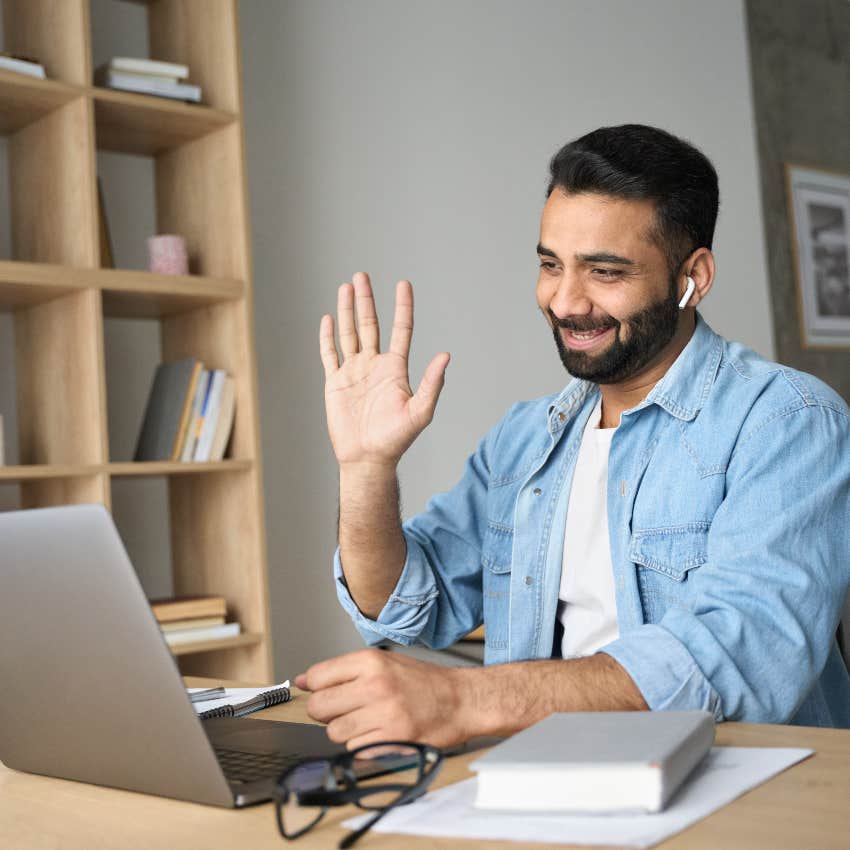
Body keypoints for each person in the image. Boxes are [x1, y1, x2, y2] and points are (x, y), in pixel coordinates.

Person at [295, 124, 850, 750]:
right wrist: (366, 468)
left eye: (605, 272)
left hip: (744, 792)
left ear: (693, 275)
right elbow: (407, 605)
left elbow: (745, 651)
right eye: (550, 265)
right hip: (550, 778)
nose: (564, 302)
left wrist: (464, 699)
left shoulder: (787, 420)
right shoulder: (525, 439)